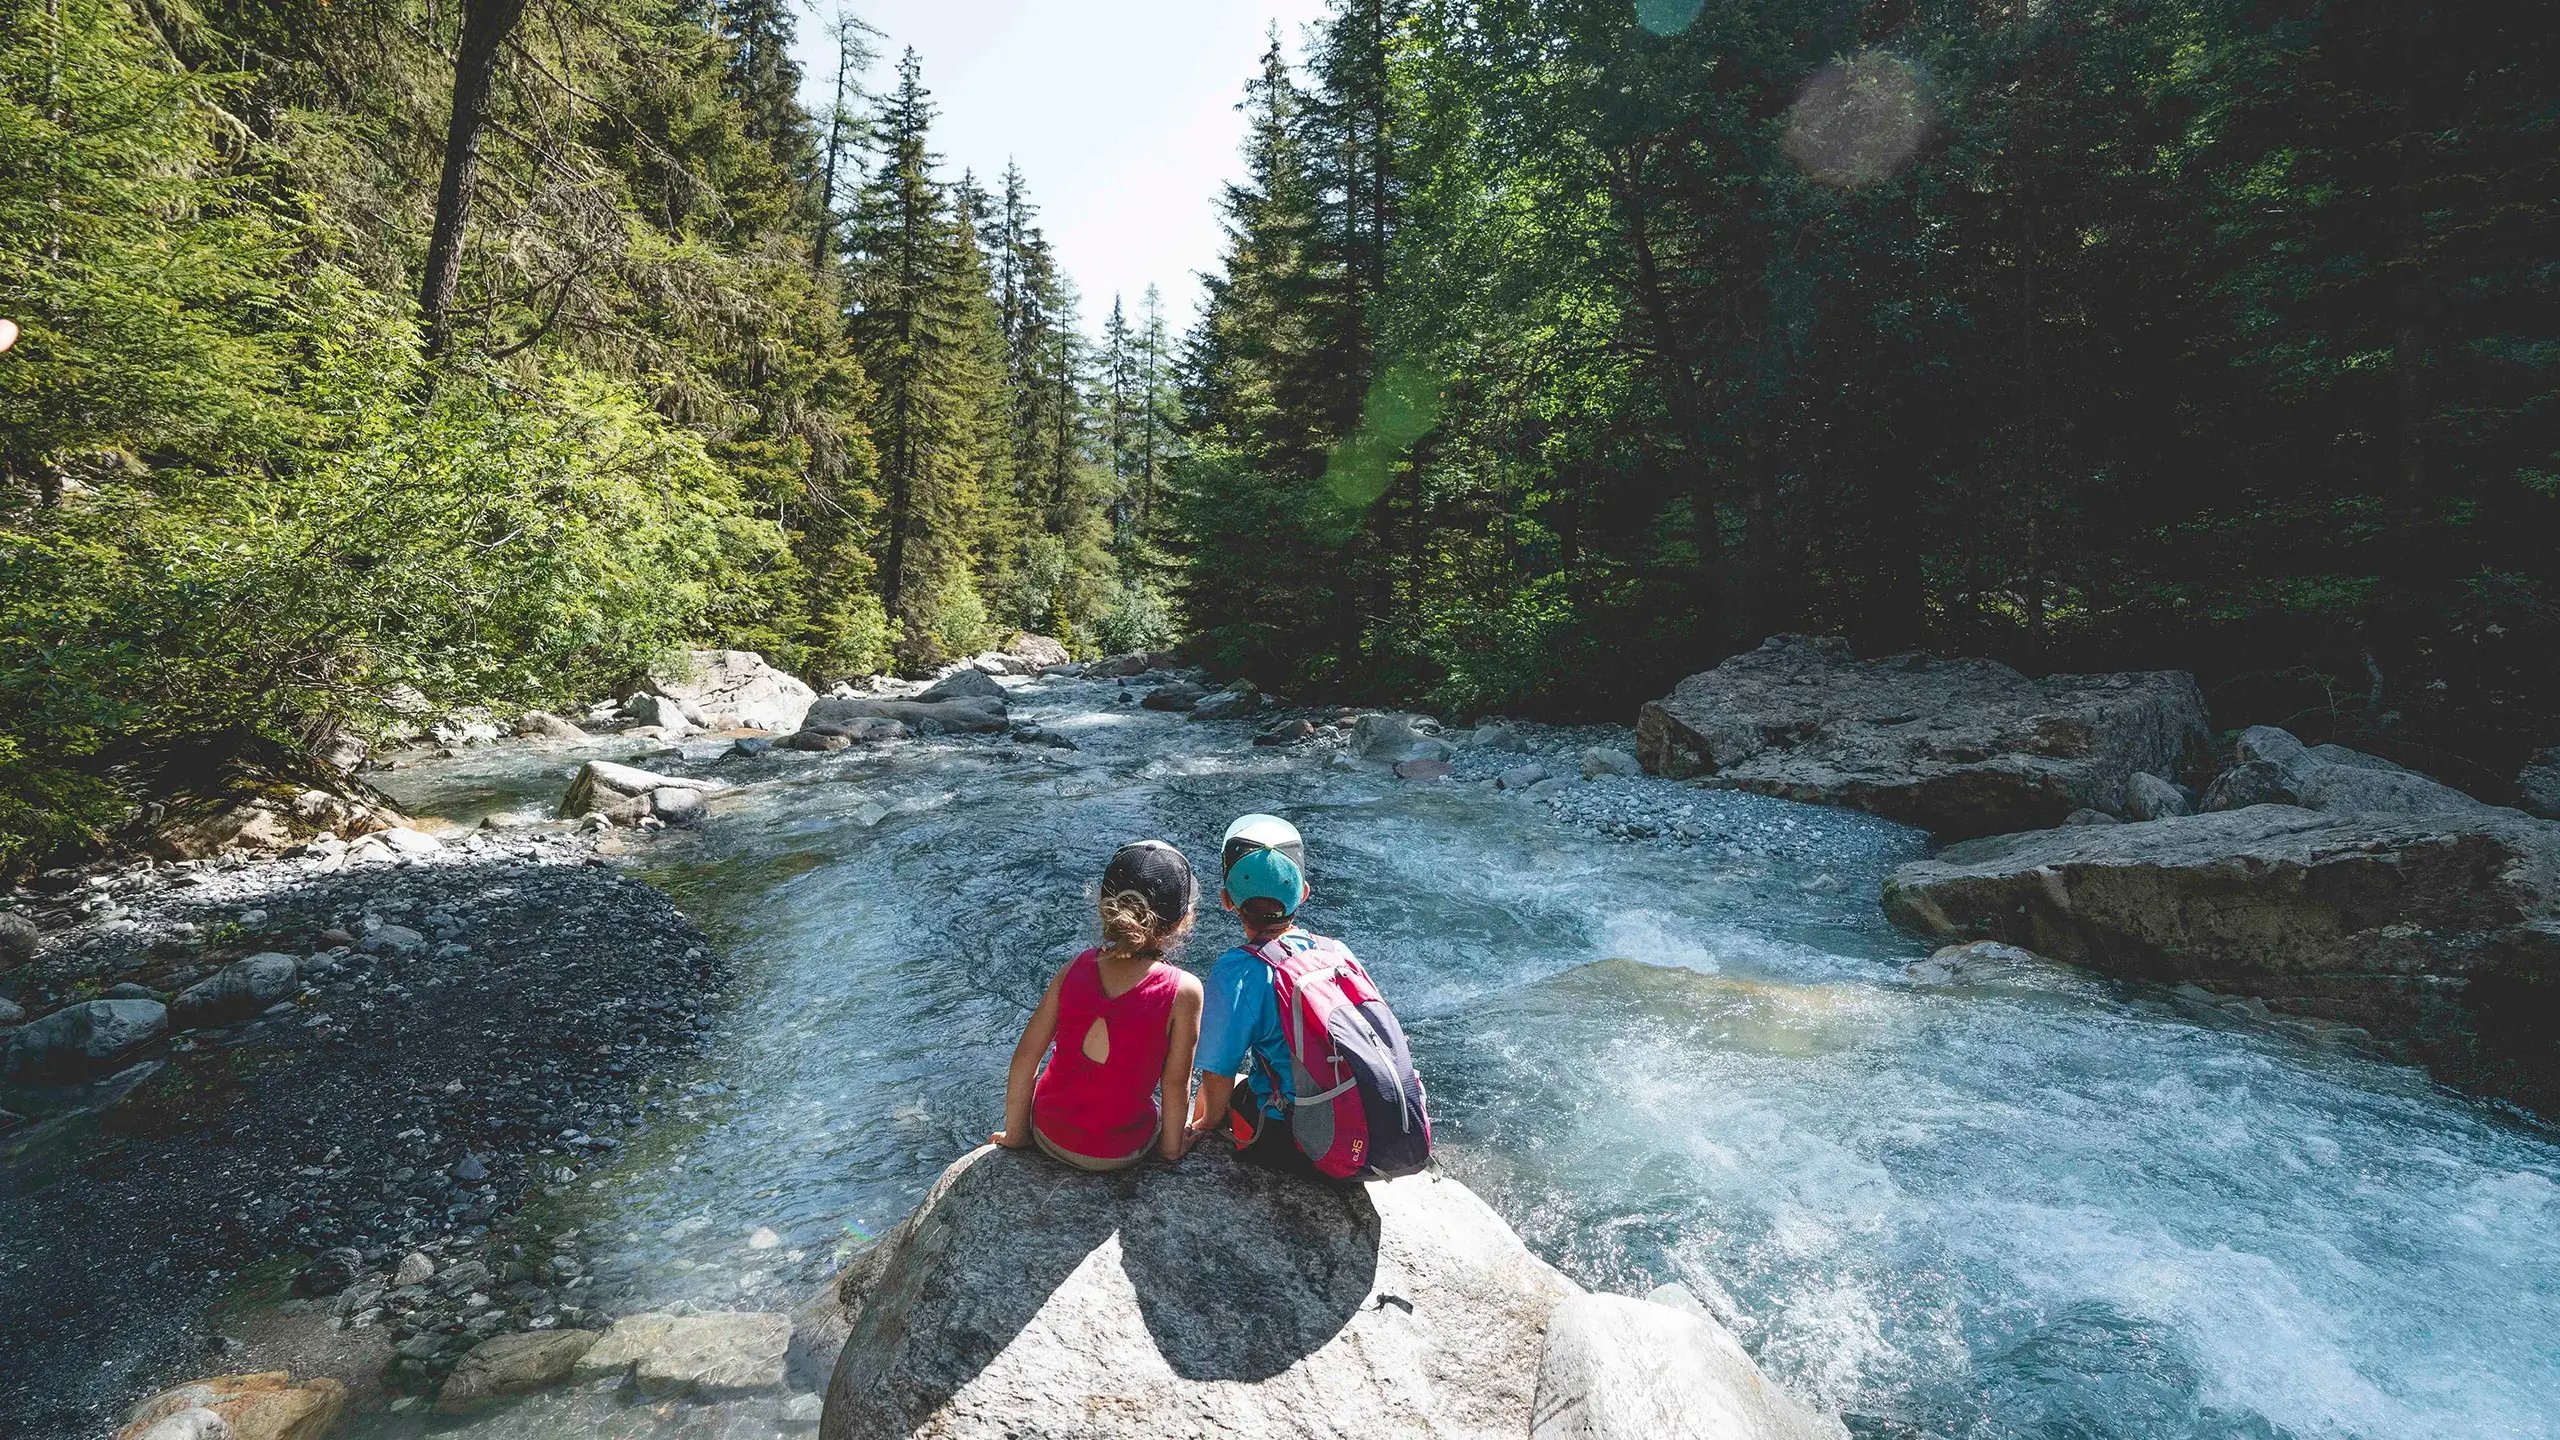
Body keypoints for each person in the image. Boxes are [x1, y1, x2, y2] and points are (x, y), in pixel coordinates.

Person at [992, 840, 1205, 1170]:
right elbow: (1175, 1083)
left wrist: (1018, 1135)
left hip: (1050, 1136)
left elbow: (1024, 1060)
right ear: (1180, 921)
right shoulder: (1185, 991)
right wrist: (1171, 1148)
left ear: (1105, 907)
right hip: (1122, 1150)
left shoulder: (1074, 969)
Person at [1186, 813, 1327, 1174]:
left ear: (1227, 900)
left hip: (1298, 1140)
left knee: (1240, 1093)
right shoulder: (1332, 952)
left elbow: (1217, 1071)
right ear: (1305, 893)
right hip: (1354, 1121)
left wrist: (1204, 1125)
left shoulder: (1239, 970)